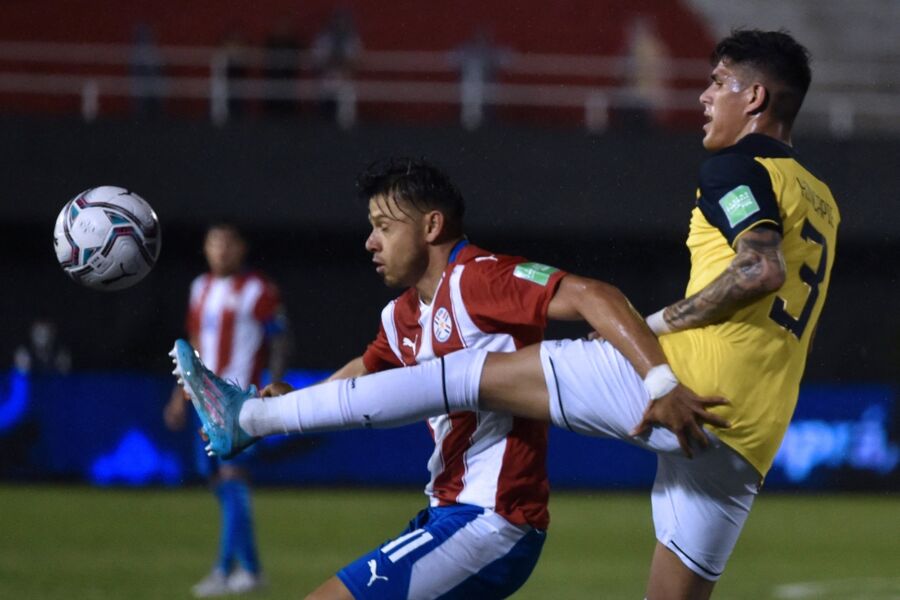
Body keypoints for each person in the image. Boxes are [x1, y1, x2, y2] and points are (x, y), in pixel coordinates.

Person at [176, 29, 836, 599]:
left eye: (718, 83)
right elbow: (374, 371)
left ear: (754, 99)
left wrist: (664, 345)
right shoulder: (823, 198)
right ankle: (264, 416)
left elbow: (759, 268)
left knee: (471, 372)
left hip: (684, 385)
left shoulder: (734, 168)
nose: (703, 97)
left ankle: (249, 418)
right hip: (751, 428)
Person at [172, 158, 725, 600]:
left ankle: (248, 422)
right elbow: (365, 375)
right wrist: (298, 397)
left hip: (493, 521)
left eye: (384, 227)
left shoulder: (480, 279)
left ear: (432, 225)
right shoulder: (401, 316)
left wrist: (659, 383)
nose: (370, 242)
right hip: (449, 513)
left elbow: (594, 295)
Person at [164, 222, 289, 597]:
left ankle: (223, 570)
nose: (220, 251)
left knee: (233, 481)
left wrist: (275, 383)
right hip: (202, 400)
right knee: (219, 482)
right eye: (213, 244)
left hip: (239, 403)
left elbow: (281, 338)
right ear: (205, 249)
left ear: (241, 248)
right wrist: (178, 393)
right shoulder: (199, 288)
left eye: (227, 244)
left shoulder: (258, 289)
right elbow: (194, 344)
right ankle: (250, 568)